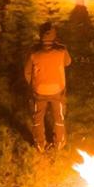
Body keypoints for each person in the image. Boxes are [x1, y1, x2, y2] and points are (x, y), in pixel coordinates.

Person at [24, 21, 72, 152]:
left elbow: (27, 72)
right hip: (57, 90)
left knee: (38, 117)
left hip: (39, 91)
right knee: (59, 117)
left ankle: (40, 144)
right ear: (55, 37)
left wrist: (33, 85)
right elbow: (68, 62)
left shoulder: (34, 53)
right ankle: (59, 143)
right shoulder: (61, 50)